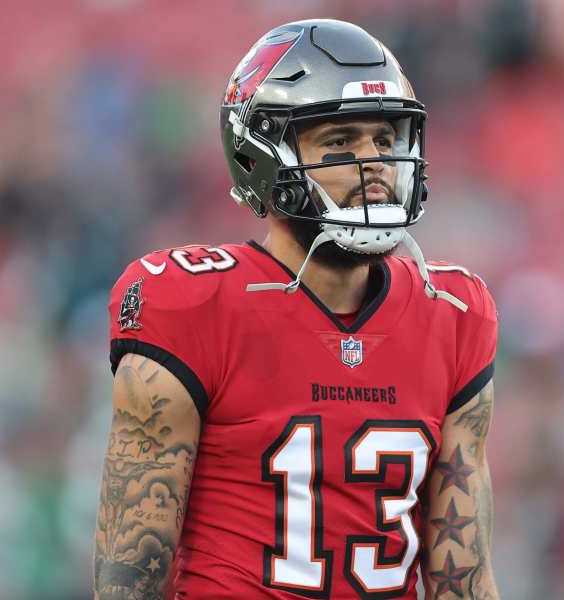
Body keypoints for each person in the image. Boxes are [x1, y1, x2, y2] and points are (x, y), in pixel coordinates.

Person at [92, 18, 500, 599]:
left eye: (385, 140)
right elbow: (130, 575)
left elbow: (465, 576)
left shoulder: (453, 313)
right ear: (263, 156)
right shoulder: (191, 304)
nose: (376, 163)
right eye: (341, 142)